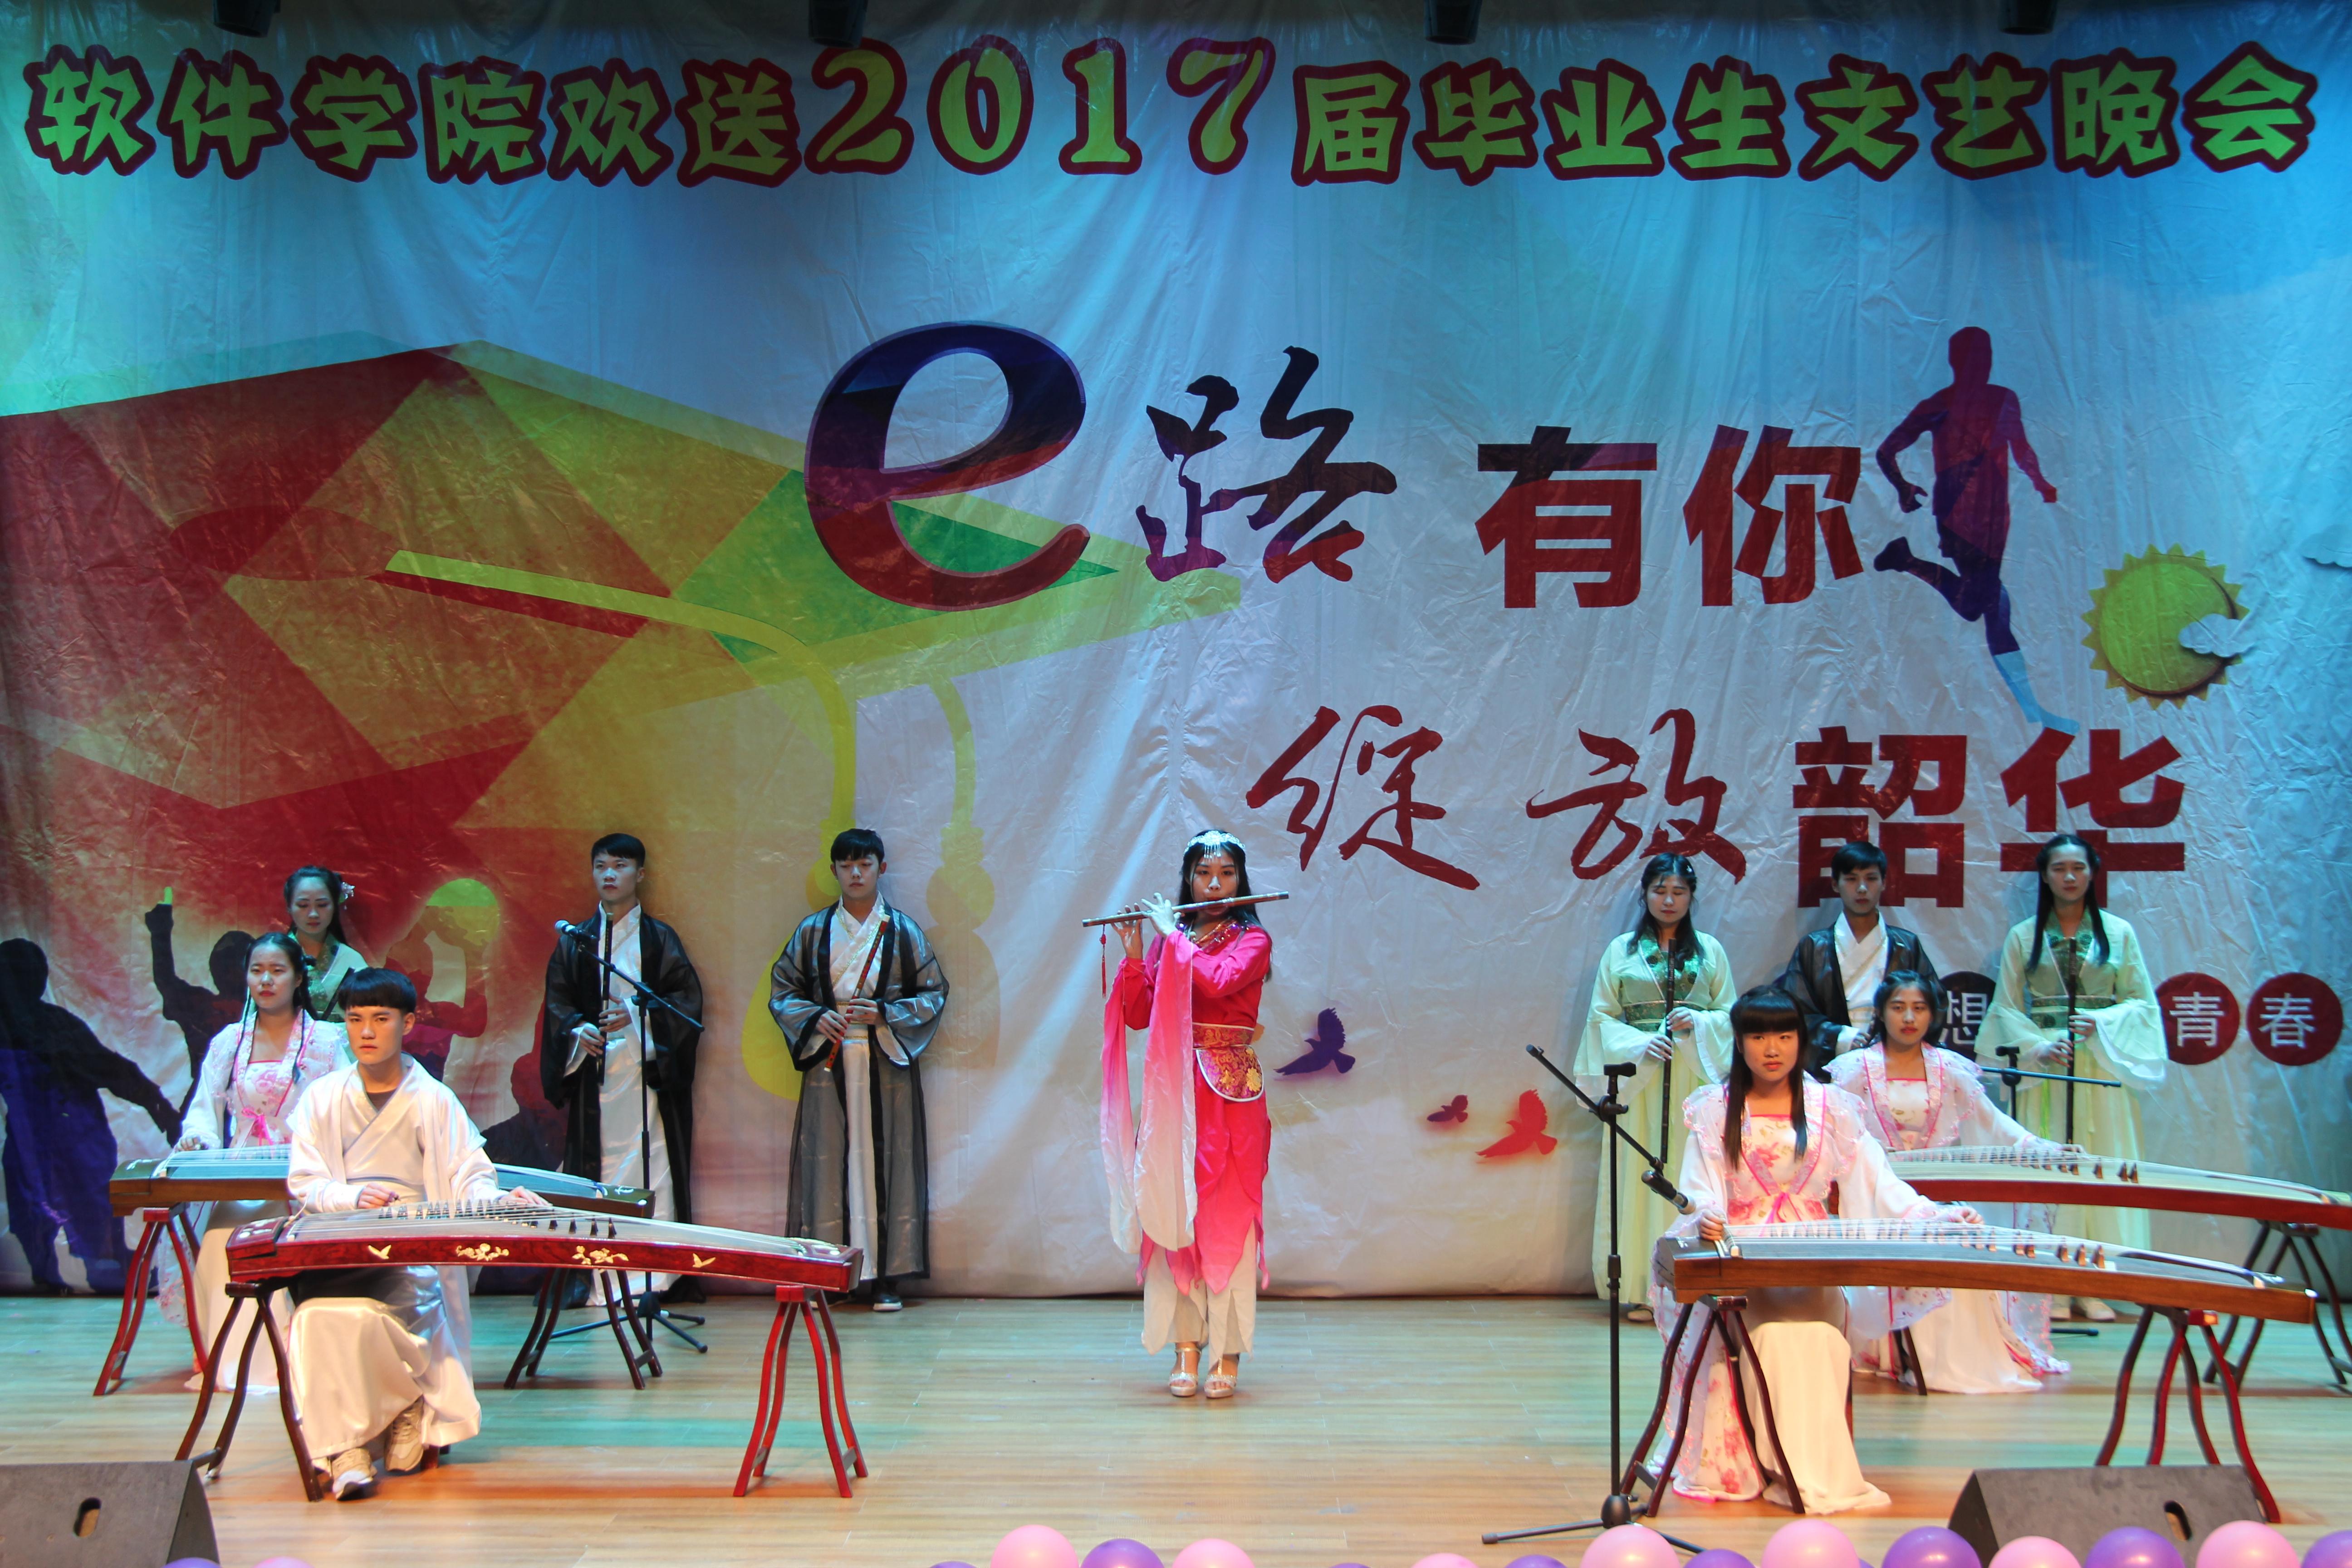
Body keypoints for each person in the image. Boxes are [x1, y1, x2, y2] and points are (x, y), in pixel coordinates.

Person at [1654, 986, 1979, 1513]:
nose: (1772, 1049)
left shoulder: (1830, 1107)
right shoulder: (1716, 1109)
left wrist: (1932, 1216)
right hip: (1744, 1265)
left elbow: (1878, 1183)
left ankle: (1814, 1472)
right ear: (1739, 1042)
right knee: (1768, 1343)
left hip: (1814, 1260)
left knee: (1820, 1341)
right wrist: (1706, 1215)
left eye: (1785, 1036)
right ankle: (1768, 1464)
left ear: (1801, 1040)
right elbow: (1701, 1187)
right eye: (1758, 1036)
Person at [284, 968, 548, 1501]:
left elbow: (469, 1176)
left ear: (407, 1023)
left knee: (394, 1306)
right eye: (355, 1020)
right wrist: (350, 1198)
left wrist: (499, 1201)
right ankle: (351, 1448)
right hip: (339, 1244)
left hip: (412, 1249)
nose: (366, 1032)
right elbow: (305, 1181)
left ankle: (397, 1410)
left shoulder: (433, 1099)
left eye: (381, 1019)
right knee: (315, 1317)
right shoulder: (322, 1097)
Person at [1828, 970, 2066, 1393]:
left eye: (1919, 1009)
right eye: (1898, 1008)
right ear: (1881, 1013)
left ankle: (1950, 1359)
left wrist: (2039, 1148)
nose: (1909, 1018)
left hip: (1936, 1195)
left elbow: (1995, 1125)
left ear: (1933, 1015)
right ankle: (1892, 1353)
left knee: (1960, 1234)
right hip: (1876, 1195)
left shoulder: (1950, 1068)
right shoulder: (1853, 1069)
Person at [1100, 830, 1273, 1401]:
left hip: (1229, 1092)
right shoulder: (1169, 939)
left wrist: (1171, 937)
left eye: (1226, 874)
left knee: (1226, 1213)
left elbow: (1218, 981)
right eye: (1203, 875)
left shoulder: (1253, 939)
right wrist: (1136, 953)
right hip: (1174, 1090)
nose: (1215, 885)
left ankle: (1226, 1350)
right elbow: (1140, 1014)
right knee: (1174, 1206)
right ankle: (1185, 1346)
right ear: (1188, 880)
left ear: (1240, 880)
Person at [1975, 832, 2165, 1319]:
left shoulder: (2118, 933)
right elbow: (2005, 1008)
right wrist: (2038, 1047)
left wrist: (2102, 1022)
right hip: (2049, 1067)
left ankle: (2094, 1280)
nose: (2069, 877)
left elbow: (2142, 1003)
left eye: (2078, 868)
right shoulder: (2024, 936)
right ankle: (2050, 1281)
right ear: (2045, 876)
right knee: (2049, 1167)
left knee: (2099, 1165)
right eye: (2059, 868)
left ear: (2093, 873)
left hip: (2101, 1062)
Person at [771, 828, 948, 1313]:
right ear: (833, 871)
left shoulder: (903, 931)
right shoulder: (813, 932)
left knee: (888, 1161)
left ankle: (887, 1276)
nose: (855, 873)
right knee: (828, 1163)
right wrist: (815, 1017)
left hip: (885, 1062)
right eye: (846, 865)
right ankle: (830, 1273)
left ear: (881, 869)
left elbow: (933, 992)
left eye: (865, 864)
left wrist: (886, 1013)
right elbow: (784, 989)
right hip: (828, 1062)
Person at [1874, 325, 2074, 734]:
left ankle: (2035, 713)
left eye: (1986, 356)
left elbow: (2020, 447)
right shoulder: (1940, 404)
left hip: (1996, 516)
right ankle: (2035, 713)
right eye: (1973, 357)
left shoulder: (2002, 398)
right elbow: (1886, 450)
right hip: (1960, 514)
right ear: (1956, 362)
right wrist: (1902, 486)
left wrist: (2041, 483)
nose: (1981, 365)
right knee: (1984, 608)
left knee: (1991, 609)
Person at [165, 932, 341, 1377]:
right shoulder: (229, 1042)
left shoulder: (326, 1041)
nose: (266, 981)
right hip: (242, 1175)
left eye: (278, 971)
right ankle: (227, 1362)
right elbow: (204, 1111)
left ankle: (292, 1362)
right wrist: (199, 1139)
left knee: (281, 1245)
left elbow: (345, 1110)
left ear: (299, 978)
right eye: (257, 971)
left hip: (306, 1175)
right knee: (221, 1242)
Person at [1573, 853, 1736, 1323]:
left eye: (1679, 891)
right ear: (1644, 894)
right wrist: (1641, 1043)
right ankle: (1646, 1290)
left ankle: (1695, 1284)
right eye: (1660, 890)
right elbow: (1601, 1018)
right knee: (1640, 1175)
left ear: (1691, 896)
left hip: (1692, 1074)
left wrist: (1700, 1022)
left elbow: (1731, 1014)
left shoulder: (1710, 950)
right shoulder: (1621, 951)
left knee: (1692, 1173)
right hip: (1639, 1077)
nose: (1669, 900)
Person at [541, 833, 703, 1300]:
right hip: (595, 1075)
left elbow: (685, 1003)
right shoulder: (576, 941)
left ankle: (656, 1276)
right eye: (601, 866)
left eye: (620, 865)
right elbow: (556, 1005)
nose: (609, 875)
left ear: (641, 874)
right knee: (599, 1171)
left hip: (645, 1075)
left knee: (655, 1167)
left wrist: (634, 1016)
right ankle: (596, 1277)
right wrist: (578, 1030)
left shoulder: (659, 939)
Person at [0, 938, 181, 1294]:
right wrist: (161, 1110)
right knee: (33, 1219)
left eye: (29, 973)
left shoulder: (55, 1024)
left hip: (78, 1140)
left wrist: (161, 1110)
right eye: (15, 975)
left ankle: (105, 1272)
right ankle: (50, 1277)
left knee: (92, 1218)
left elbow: (114, 1070)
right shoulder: (23, 1027)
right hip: (34, 1145)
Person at [1779, 840, 1939, 1079]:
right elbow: (1796, 1012)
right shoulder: (1813, 947)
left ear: (1884, 883)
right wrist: (1839, 1037)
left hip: (1895, 1063)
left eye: (1871, 879)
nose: (1862, 889)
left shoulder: (1907, 946)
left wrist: (1893, 1039)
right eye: (1852, 879)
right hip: (1831, 1067)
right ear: (1836, 884)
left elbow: (1935, 1004)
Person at [143, 899, 253, 1111]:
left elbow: (167, 981)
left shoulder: (267, 1011)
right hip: (208, 1103)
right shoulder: (205, 1006)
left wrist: (160, 933)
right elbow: (167, 982)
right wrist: (160, 933)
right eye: (226, 965)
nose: (230, 972)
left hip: (246, 1104)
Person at [284, 867, 368, 1023]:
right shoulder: (272, 957)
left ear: (334, 906)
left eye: (322, 905)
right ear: (289, 907)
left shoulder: (352, 961)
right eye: (303, 905)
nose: (313, 914)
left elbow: (367, 1019)